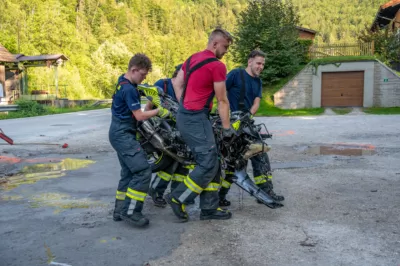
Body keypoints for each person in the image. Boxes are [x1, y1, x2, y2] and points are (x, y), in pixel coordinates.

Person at [165, 28, 235, 222]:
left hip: (187, 115)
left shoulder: (191, 59)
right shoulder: (217, 66)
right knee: (208, 162)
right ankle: (177, 197)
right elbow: (222, 100)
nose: (226, 51)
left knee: (214, 159)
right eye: (225, 46)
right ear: (215, 44)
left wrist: (183, 105)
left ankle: (209, 208)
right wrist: (227, 128)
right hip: (196, 118)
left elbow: (177, 83)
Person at [109, 53, 170, 227]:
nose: (144, 77)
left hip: (117, 132)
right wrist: (159, 111)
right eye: (142, 74)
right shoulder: (129, 90)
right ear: (134, 70)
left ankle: (119, 211)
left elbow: (138, 89)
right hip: (123, 134)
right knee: (143, 171)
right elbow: (140, 115)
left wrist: (145, 89)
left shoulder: (123, 81)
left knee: (128, 172)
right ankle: (131, 212)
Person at [218, 50, 285, 207]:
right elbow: (221, 93)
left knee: (259, 152)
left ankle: (266, 191)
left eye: (263, 64)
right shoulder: (236, 74)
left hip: (246, 122)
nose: (261, 66)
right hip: (232, 122)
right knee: (233, 161)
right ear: (250, 62)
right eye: (258, 63)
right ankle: (219, 195)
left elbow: (256, 102)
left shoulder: (258, 82)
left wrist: (248, 115)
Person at [148, 64, 194, 207]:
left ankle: (177, 195)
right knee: (169, 162)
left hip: (181, 132)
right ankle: (156, 190)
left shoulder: (187, 91)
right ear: (179, 72)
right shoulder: (162, 85)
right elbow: (148, 108)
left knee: (183, 163)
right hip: (164, 131)